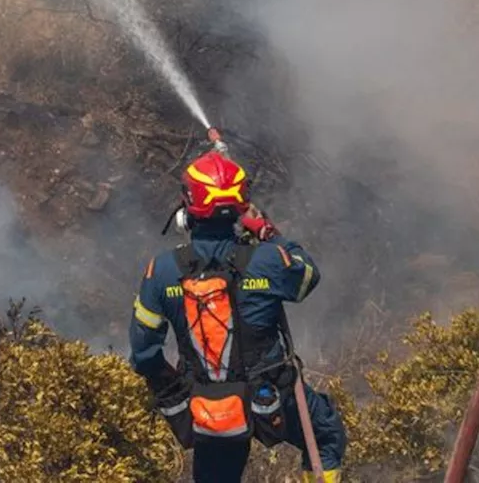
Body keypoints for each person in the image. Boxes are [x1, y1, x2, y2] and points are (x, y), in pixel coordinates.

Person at [128, 131, 347, 482]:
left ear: (188, 207)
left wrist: (183, 388)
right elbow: (307, 276)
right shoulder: (268, 260)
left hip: (208, 407)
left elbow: (143, 356)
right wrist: (268, 233)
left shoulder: (161, 271)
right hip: (272, 397)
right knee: (325, 434)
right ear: (241, 204)